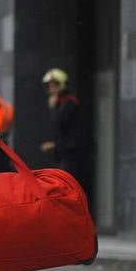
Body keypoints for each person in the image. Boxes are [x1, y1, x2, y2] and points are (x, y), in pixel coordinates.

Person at [39, 68, 93, 199]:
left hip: (72, 154)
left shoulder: (69, 102)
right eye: (50, 86)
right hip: (67, 152)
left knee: (67, 187)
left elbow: (60, 123)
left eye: (55, 85)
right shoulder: (64, 102)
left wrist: (52, 108)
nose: (52, 89)